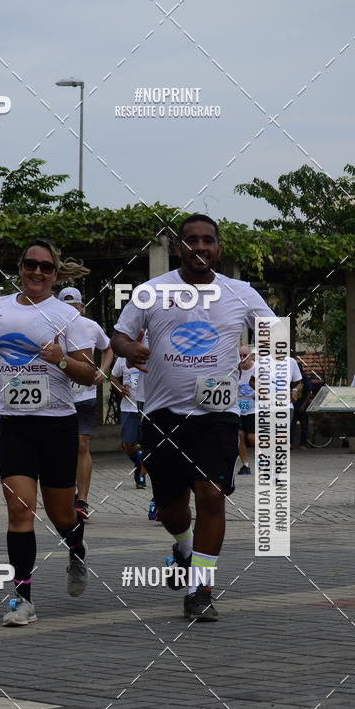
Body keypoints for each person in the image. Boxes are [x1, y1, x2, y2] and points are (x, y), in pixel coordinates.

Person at [111, 213, 276, 622]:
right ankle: (183, 549)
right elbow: (119, 335)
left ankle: (199, 589)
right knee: (171, 508)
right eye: (191, 240)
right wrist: (129, 349)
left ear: (218, 248)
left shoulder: (240, 292)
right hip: (163, 415)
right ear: (178, 247)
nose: (200, 246)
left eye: (207, 240)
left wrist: (259, 357)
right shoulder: (152, 292)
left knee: (211, 495)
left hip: (217, 414)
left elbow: (275, 333)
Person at [0, 239, 95, 627]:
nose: (37, 272)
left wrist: (61, 360)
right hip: (14, 425)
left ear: (55, 273)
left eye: (46, 267)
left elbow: (90, 373)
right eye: (31, 264)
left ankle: (76, 549)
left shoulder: (67, 315)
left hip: (57, 424)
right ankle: (22, 599)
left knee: (62, 514)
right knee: (19, 511)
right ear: (20, 267)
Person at [58, 286, 113, 520]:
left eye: (74, 307)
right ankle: (67, 494)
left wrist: (103, 371)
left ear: (81, 307)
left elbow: (108, 348)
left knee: (81, 445)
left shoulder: (91, 326)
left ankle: (82, 500)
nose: (70, 311)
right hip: (59, 396)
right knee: (62, 447)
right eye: (65, 307)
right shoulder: (50, 325)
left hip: (84, 395)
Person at [110, 356, 147, 488]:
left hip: (149, 407)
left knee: (149, 445)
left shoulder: (151, 355)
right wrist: (119, 387)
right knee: (128, 445)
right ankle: (139, 462)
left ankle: (141, 476)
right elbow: (113, 376)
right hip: (129, 407)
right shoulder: (122, 357)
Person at [237, 346, 256, 475]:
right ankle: (245, 465)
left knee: (252, 437)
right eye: (240, 356)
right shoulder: (235, 370)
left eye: (245, 356)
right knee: (240, 436)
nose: (242, 358)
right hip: (239, 408)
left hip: (254, 407)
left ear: (251, 356)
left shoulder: (257, 368)